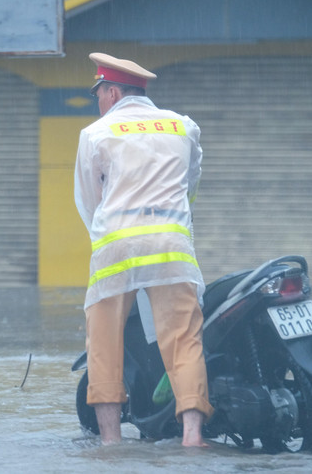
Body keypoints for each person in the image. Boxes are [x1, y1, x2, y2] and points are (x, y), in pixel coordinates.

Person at [73, 52, 213, 446]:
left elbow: (88, 199)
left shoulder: (96, 133)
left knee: (104, 343)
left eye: (99, 93)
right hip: (171, 245)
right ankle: (191, 436)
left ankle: (111, 442)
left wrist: (105, 235)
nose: (98, 102)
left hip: (115, 245)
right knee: (184, 339)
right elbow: (191, 185)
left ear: (113, 91)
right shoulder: (182, 127)